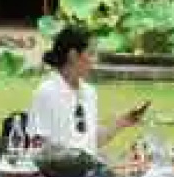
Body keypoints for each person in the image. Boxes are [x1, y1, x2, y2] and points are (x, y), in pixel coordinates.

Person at [29, 26, 146, 157]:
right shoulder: (47, 92)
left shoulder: (90, 92)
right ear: (73, 55)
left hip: (88, 171)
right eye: (90, 53)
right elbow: (38, 145)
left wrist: (121, 123)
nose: (94, 60)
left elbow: (90, 143)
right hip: (58, 173)